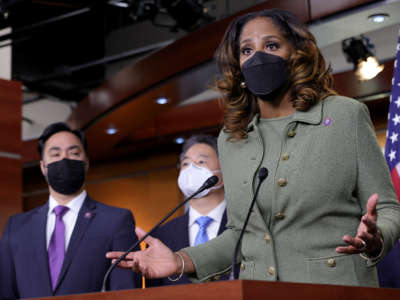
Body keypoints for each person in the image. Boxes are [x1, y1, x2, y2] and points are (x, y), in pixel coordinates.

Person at [107, 9, 400, 287]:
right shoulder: (232, 138)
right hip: (258, 291)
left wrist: (376, 239)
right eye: (247, 50)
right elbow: (240, 234)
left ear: (296, 55)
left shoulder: (345, 116)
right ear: (238, 67)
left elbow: (388, 209)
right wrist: (180, 260)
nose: (258, 57)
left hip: (337, 289)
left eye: (272, 45)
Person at [0, 122, 141, 299]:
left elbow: (126, 291)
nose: (64, 159)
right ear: (43, 167)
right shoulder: (17, 226)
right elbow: (5, 291)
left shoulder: (116, 221)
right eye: (56, 154)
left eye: (74, 153)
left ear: (86, 163)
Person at [147, 134, 228, 287]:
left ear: (223, 171)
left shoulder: (246, 225)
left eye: (201, 161)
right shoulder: (162, 235)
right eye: (185, 163)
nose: (192, 168)